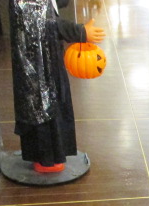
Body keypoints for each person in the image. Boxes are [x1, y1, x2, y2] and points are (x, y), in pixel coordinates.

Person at [9, 0, 105, 173]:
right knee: (41, 104)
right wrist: (80, 32)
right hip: (36, 61)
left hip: (47, 55)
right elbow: (38, 20)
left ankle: (52, 155)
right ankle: (45, 159)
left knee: (52, 101)